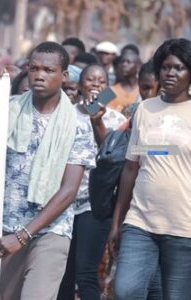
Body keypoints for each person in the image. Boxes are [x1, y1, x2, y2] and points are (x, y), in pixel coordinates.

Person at [0, 42, 95, 300]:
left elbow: (69, 190)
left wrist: (24, 234)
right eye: (34, 68)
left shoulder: (78, 124)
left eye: (48, 70)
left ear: (64, 76)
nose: (39, 75)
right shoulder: (6, 109)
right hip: (4, 227)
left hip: (51, 230)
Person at [110, 38, 191, 300]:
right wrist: (117, 223)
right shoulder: (145, 109)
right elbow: (131, 167)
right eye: (166, 67)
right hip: (140, 222)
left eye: (179, 68)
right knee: (125, 291)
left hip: (184, 227)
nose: (171, 73)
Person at [57, 64, 126, 300]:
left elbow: (113, 158)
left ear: (107, 86)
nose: (96, 84)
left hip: (95, 205)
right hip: (62, 203)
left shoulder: (117, 119)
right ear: (78, 85)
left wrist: (98, 121)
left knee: (85, 271)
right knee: (64, 272)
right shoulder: (64, 114)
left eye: (101, 81)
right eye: (90, 79)